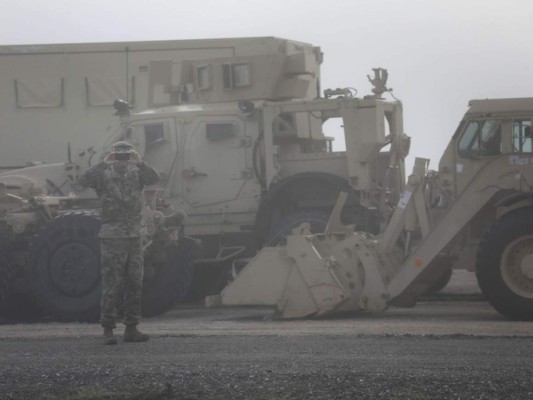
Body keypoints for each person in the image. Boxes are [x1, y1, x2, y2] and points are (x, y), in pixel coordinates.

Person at [78, 141, 160, 345]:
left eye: (126, 156)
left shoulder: (137, 174)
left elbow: (154, 179)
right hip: (112, 237)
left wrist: (141, 163)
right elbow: (82, 181)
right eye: (119, 156)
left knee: (134, 282)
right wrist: (103, 164)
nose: (122, 160)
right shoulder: (103, 175)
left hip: (133, 236)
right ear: (113, 156)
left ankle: (131, 328)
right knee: (112, 284)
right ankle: (108, 330)